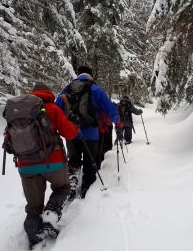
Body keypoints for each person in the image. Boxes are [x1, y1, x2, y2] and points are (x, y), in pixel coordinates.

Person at [17, 82, 78, 248]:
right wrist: (74, 124)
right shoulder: (52, 108)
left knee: (33, 207)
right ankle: (51, 212)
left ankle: (34, 236)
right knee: (63, 188)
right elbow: (70, 133)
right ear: (48, 93)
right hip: (53, 162)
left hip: (26, 165)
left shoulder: (20, 112)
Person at [55, 66, 119, 199]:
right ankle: (87, 187)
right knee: (90, 162)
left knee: (73, 160)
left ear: (78, 75)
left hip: (71, 133)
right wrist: (117, 120)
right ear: (90, 76)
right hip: (90, 133)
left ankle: (72, 182)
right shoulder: (96, 89)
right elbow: (109, 108)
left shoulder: (67, 88)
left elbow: (57, 108)